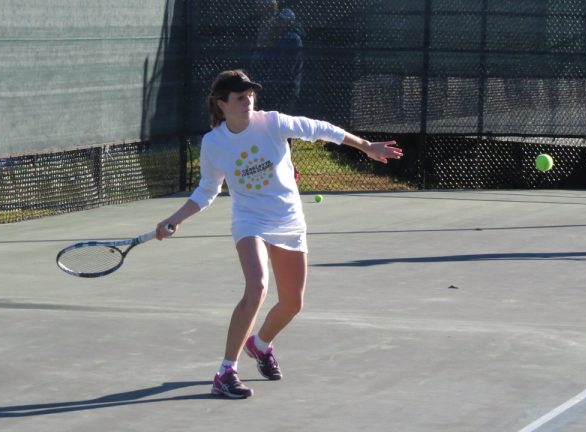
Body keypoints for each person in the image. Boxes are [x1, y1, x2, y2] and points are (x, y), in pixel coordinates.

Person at [155, 70, 403, 399]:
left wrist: (365, 146)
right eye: (240, 97)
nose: (248, 101)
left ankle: (259, 345)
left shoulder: (272, 123)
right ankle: (226, 372)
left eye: (250, 95)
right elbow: (207, 190)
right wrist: (175, 219)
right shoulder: (214, 143)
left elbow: (320, 129)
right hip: (249, 221)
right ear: (222, 104)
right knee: (257, 286)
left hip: (288, 219)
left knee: (292, 303)